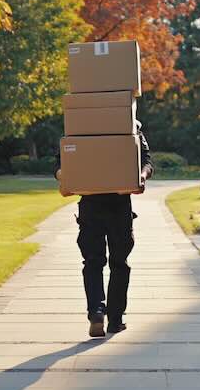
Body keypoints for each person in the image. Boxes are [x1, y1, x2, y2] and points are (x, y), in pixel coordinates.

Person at [57, 122, 154, 337]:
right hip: (119, 206)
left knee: (92, 262)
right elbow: (146, 160)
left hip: (90, 206)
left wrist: (62, 176)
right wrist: (142, 176)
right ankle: (115, 320)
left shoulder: (78, 126)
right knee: (119, 263)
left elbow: (61, 162)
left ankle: (96, 312)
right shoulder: (130, 126)